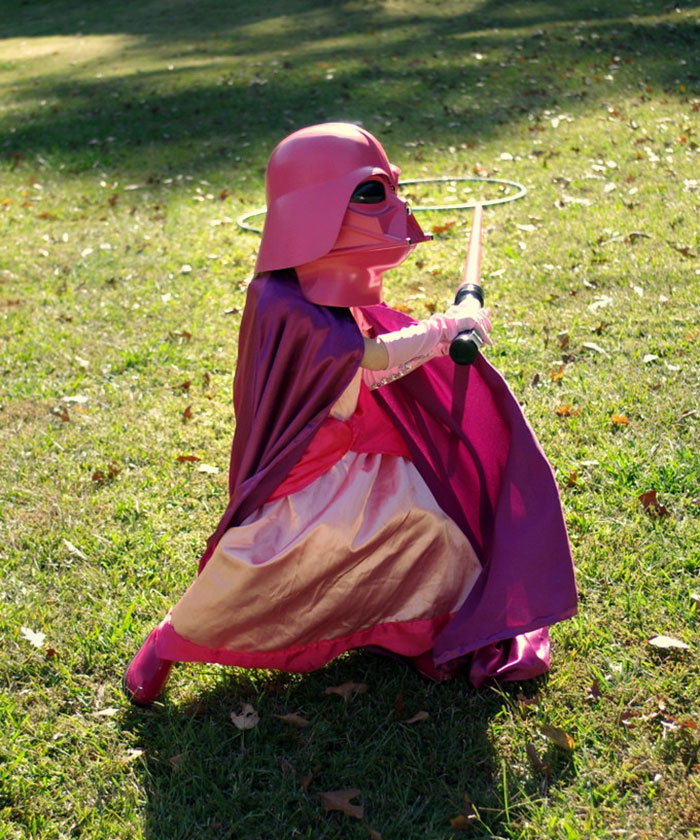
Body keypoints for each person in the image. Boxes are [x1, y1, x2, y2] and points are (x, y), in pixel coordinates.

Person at [124, 123, 577, 706]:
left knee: (434, 530)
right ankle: (169, 642)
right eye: (370, 194)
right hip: (305, 474)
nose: (394, 213)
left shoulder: (329, 292)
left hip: (364, 455)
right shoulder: (284, 301)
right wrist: (444, 330)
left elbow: (370, 367)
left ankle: (430, 627)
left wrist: (443, 332)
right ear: (316, 208)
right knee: (260, 570)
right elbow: (369, 357)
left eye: (390, 191)